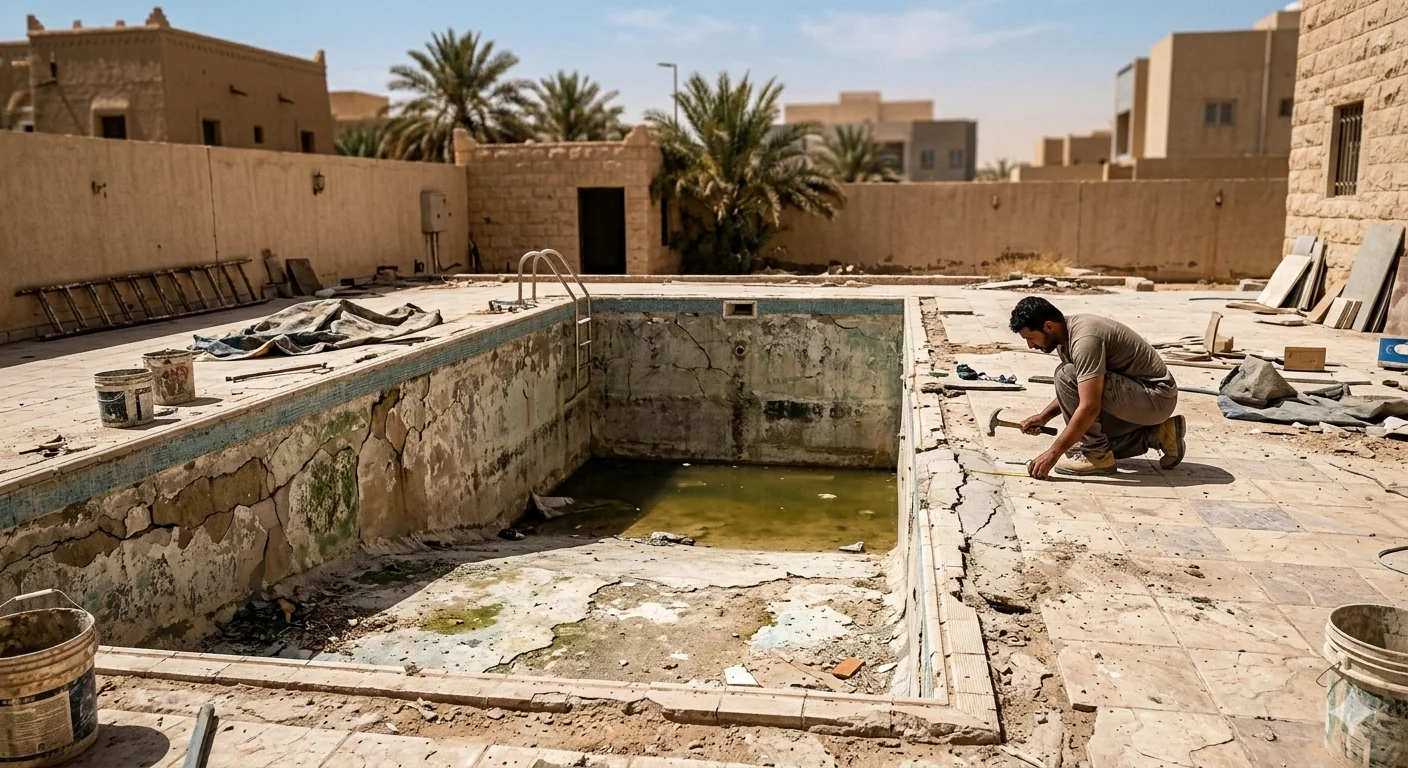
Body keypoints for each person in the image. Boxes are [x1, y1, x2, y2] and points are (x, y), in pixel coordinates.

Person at [1008, 296, 1186, 478]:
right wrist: (1043, 417)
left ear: (1048, 326)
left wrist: (1052, 453)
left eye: (1030, 338)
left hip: (1155, 397)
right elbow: (1079, 389)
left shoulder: (1085, 339)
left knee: (1067, 379)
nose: (1030, 345)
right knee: (1082, 438)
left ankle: (1097, 456)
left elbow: (1089, 405)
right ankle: (1162, 434)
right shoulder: (1065, 338)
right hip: (1146, 400)